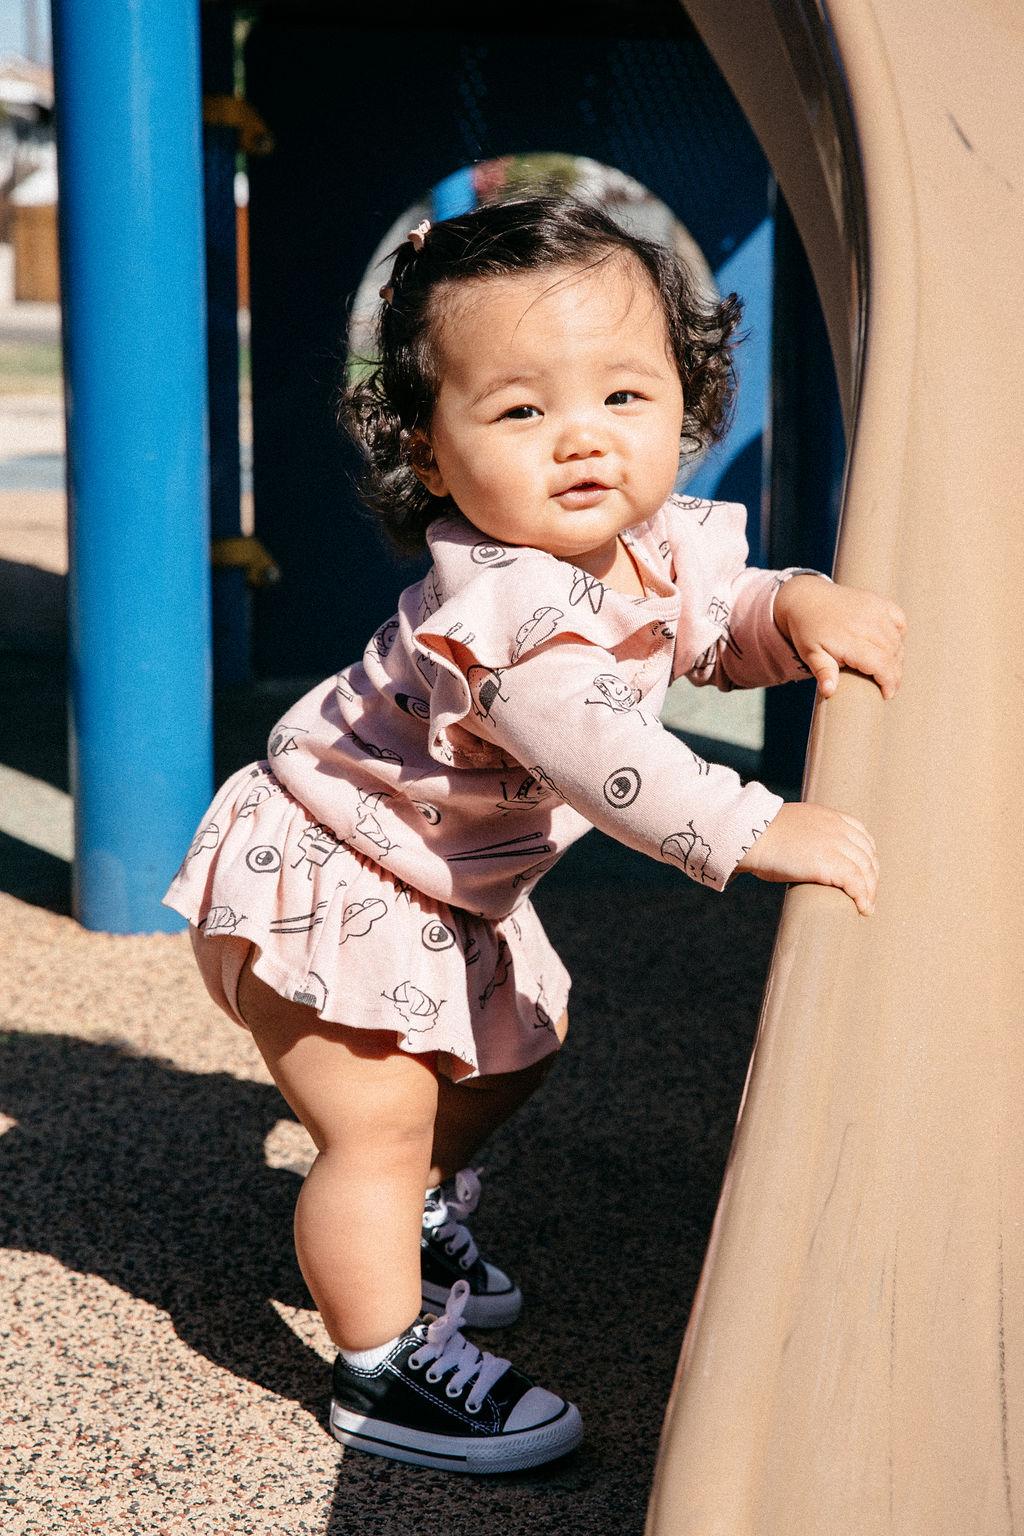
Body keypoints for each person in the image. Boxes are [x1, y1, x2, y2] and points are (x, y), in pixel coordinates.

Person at [165, 197, 905, 1474]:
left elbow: (719, 617)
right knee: (378, 1127)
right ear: (432, 456)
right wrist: (752, 824)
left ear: (686, 401)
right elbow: (609, 760)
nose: (582, 442)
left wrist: (802, 604)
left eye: (624, 395)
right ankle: (381, 1364)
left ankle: (423, 1215)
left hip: (442, 881)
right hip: (331, 872)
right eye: (518, 411)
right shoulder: (508, 607)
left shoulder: (649, 544)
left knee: (515, 1057)